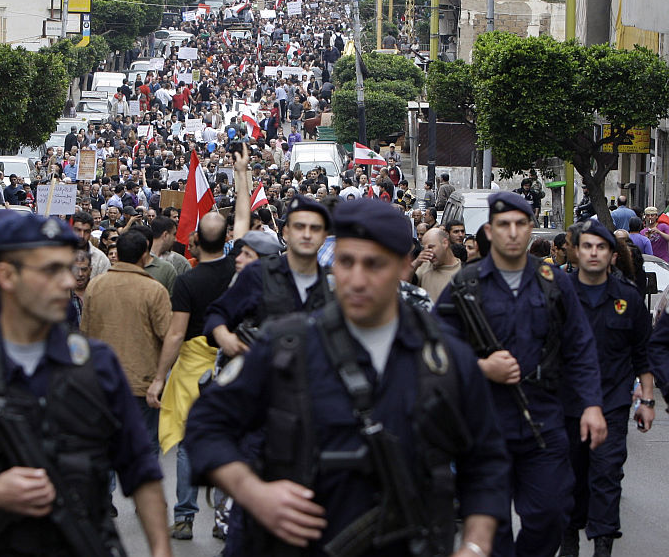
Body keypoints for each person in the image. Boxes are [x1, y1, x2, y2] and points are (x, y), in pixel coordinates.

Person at [185, 199, 510, 556]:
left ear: (405, 265)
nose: (356, 280)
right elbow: (206, 425)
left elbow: (487, 462)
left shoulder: (446, 359)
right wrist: (252, 492)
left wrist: (476, 545)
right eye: (346, 262)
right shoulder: (285, 348)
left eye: (374, 264)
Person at [0, 212, 171, 557]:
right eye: (50, 270)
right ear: (7, 275)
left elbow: (141, 468)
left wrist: (160, 548)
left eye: (68, 267)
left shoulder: (97, 364)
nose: (68, 281)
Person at [434, 192, 606, 557]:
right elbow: (434, 347)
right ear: (490, 231)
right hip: (484, 423)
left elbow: (580, 347)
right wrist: (481, 367)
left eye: (520, 224)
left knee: (552, 513)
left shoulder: (553, 282)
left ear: (530, 228)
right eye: (503, 225)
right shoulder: (466, 284)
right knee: (490, 527)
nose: (512, 233)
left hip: (542, 419)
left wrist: (591, 404)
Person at [559, 222, 653, 557]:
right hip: (567, 406)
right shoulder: (559, 294)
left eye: (601, 247)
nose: (594, 253)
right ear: (577, 251)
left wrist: (647, 399)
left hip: (612, 403)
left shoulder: (627, 297)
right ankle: (569, 537)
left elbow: (642, 352)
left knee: (607, 475)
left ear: (613, 256)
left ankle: (602, 546)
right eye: (587, 246)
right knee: (572, 477)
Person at [148, 213, 235, 541]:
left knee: (186, 444)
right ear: (225, 239)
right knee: (226, 442)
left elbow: (175, 334)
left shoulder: (187, 282)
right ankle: (222, 517)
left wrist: (159, 377)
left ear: (197, 240)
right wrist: (241, 177)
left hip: (189, 371)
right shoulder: (237, 273)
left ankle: (184, 516)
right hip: (228, 366)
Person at [204, 196, 332, 359]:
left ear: (324, 235)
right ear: (286, 231)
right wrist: (225, 337)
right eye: (299, 227)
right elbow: (218, 313)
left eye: (314, 228)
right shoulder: (258, 273)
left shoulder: (333, 283)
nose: (307, 235)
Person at [80, 229, 171, 455]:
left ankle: (105, 490)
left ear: (117, 255)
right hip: (143, 382)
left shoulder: (95, 286)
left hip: (104, 380)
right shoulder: (155, 290)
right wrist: (161, 378)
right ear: (144, 256)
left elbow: (85, 334)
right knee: (146, 446)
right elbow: (168, 336)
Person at [410, 227, 463, 301]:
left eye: (431, 247)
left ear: (445, 243)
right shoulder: (424, 266)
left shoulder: (463, 271)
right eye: (425, 249)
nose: (428, 252)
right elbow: (402, 284)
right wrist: (416, 263)